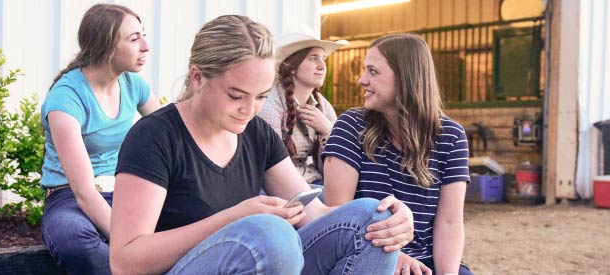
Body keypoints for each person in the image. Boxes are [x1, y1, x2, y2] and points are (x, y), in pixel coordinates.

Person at [109, 15, 415, 275]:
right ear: (198, 77)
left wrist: (394, 219)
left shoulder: (254, 131)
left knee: (372, 219)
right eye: (235, 95)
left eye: (261, 96)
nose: (250, 109)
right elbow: (125, 261)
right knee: (269, 235)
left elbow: (314, 213)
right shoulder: (155, 136)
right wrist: (234, 218)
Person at [322, 33, 474, 275]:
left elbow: (450, 222)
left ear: (405, 79)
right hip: (365, 252)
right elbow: (340, 220)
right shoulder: (350, 125)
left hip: (428, 259)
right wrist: (395, 258)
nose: (362, 80)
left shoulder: (451, 136)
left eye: (373, 71)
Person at [39, 4, 160, 274]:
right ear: (106, 46)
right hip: (69, 198)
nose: (146, 46)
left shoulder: (134, 85)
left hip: (126, 192)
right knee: (74, 239)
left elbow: (171, 138)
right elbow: (83, 192)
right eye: (134, 39)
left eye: (143, 34)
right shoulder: (65, 99)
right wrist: (128, 244)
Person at [258, 29, 346, 188]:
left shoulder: (323, 105)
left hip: (314, 179)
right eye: (313, 59)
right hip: (281, 186)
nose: (322, 66)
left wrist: (327, 130)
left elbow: (337, 168)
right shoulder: (271, 104)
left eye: (323, 59)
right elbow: (269, 164)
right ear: (292, 67)